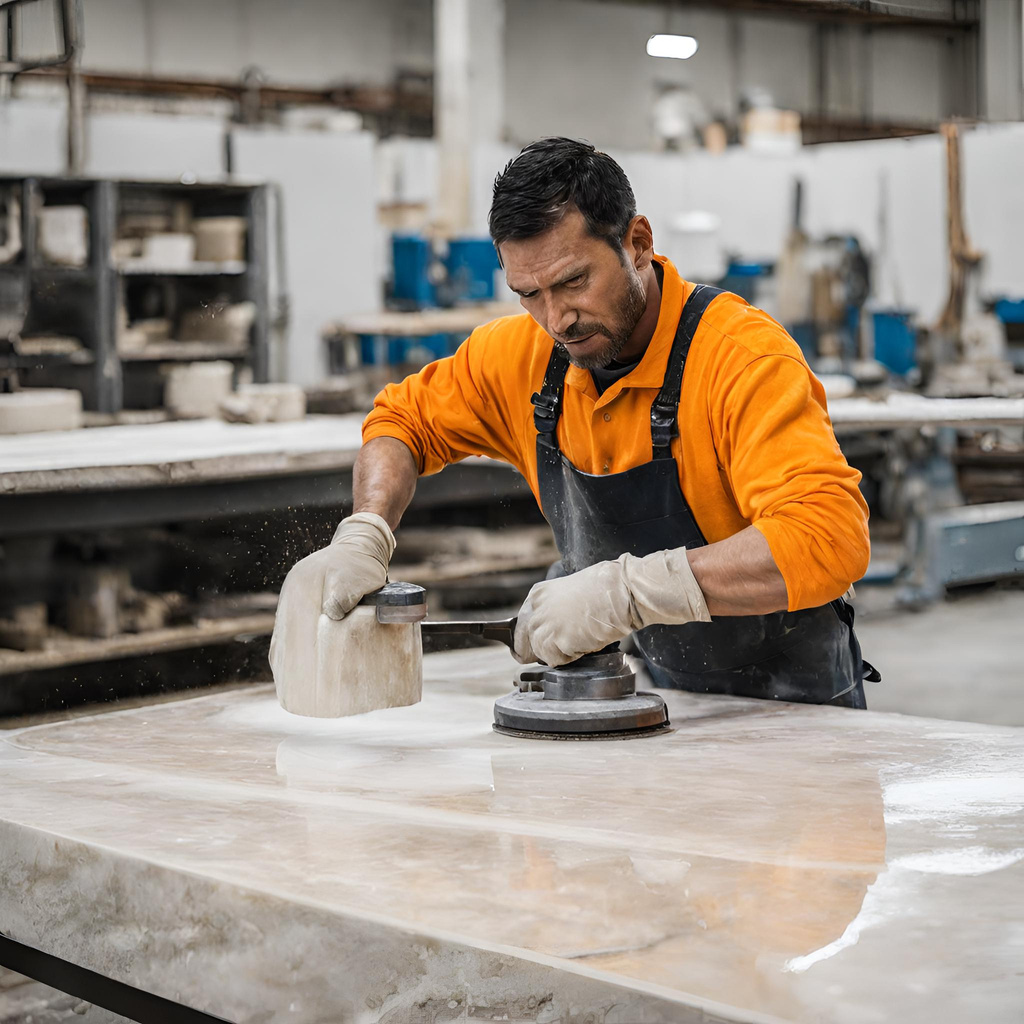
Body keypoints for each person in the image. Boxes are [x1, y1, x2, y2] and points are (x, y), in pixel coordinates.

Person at [272, 137, 877, 708]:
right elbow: (400, 422)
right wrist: (365, 534)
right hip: (672, 701)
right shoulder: (523, 359)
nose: (557, 318)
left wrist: (627, 592)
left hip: (798, 709)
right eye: (528, 293)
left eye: (573, 281)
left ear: (637, 243)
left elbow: (826, 537)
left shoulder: (739, 359)